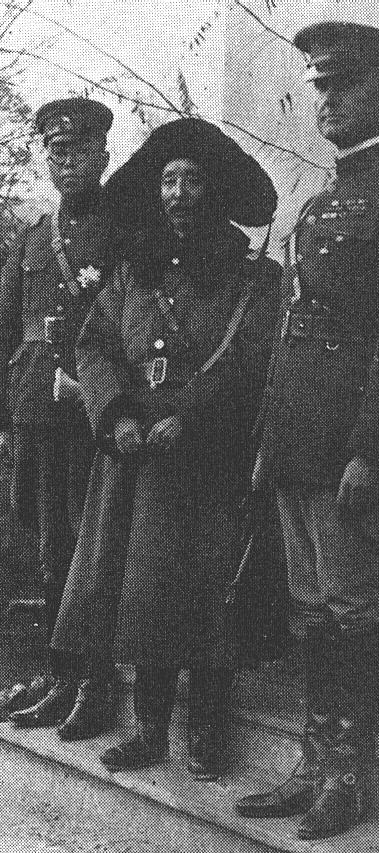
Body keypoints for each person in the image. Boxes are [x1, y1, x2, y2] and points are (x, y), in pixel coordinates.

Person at [236, 21, 379, 840]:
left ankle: (347, 774)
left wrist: (375, 447)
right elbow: (294, 337)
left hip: (353, 457)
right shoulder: (319, 203)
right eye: (322, 85)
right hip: (297, 447)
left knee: (354, 608)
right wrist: (269, 436)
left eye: (345, 85)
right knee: (310, 610)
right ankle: (312, 760)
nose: (328, 99)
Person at [50, 117, 280, 779]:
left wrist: (189, 415)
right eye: (169, 180)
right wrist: (115, 411)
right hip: (135, 458)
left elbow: (252, 358)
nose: (179, 192)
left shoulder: (249, 276)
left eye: (193, 180)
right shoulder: (132, 271)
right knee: (142, 594)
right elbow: (95, 345)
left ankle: (207, 733)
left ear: (213, 191)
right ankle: (150, 730)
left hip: (207, 461)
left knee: (206, 599)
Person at [0, 98, 128, 734]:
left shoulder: (127, 228)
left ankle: (97, 682)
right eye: (57, 150)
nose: (69, 161)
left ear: (103, 154)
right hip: (32, 407)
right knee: (46, 542)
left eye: (81, 150)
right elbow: (7, 324)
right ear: (46, 158)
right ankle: (57, 677)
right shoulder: (30, 235)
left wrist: (99, 390)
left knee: (90, 547)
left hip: (90, 412)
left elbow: (134, 324)